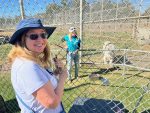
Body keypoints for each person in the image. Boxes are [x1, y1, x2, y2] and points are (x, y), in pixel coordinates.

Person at [8, 18, 67, 113]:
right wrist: (62, 78)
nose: (41, 39)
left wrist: (56, 73)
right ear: (22, 40)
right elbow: (52, 103)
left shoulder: (31, 60)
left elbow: (42, 82)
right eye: (33, 36)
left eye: (43, 35)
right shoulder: (27, 66)